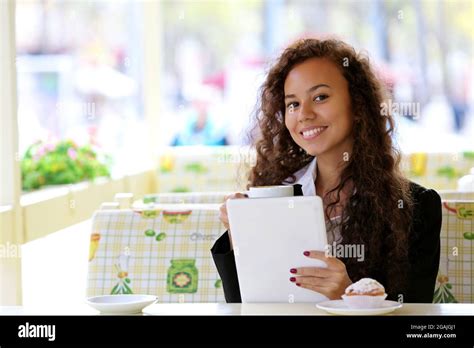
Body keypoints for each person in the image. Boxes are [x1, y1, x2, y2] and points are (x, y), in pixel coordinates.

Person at [211, 38, 441, 303]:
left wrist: (348, 296)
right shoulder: (272, 196)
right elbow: (242, 305)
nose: (304, 114)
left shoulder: (418, 207)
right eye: (293, 104)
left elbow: (416, 319)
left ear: (357, 105)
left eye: (320, 97)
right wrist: (237, 232)